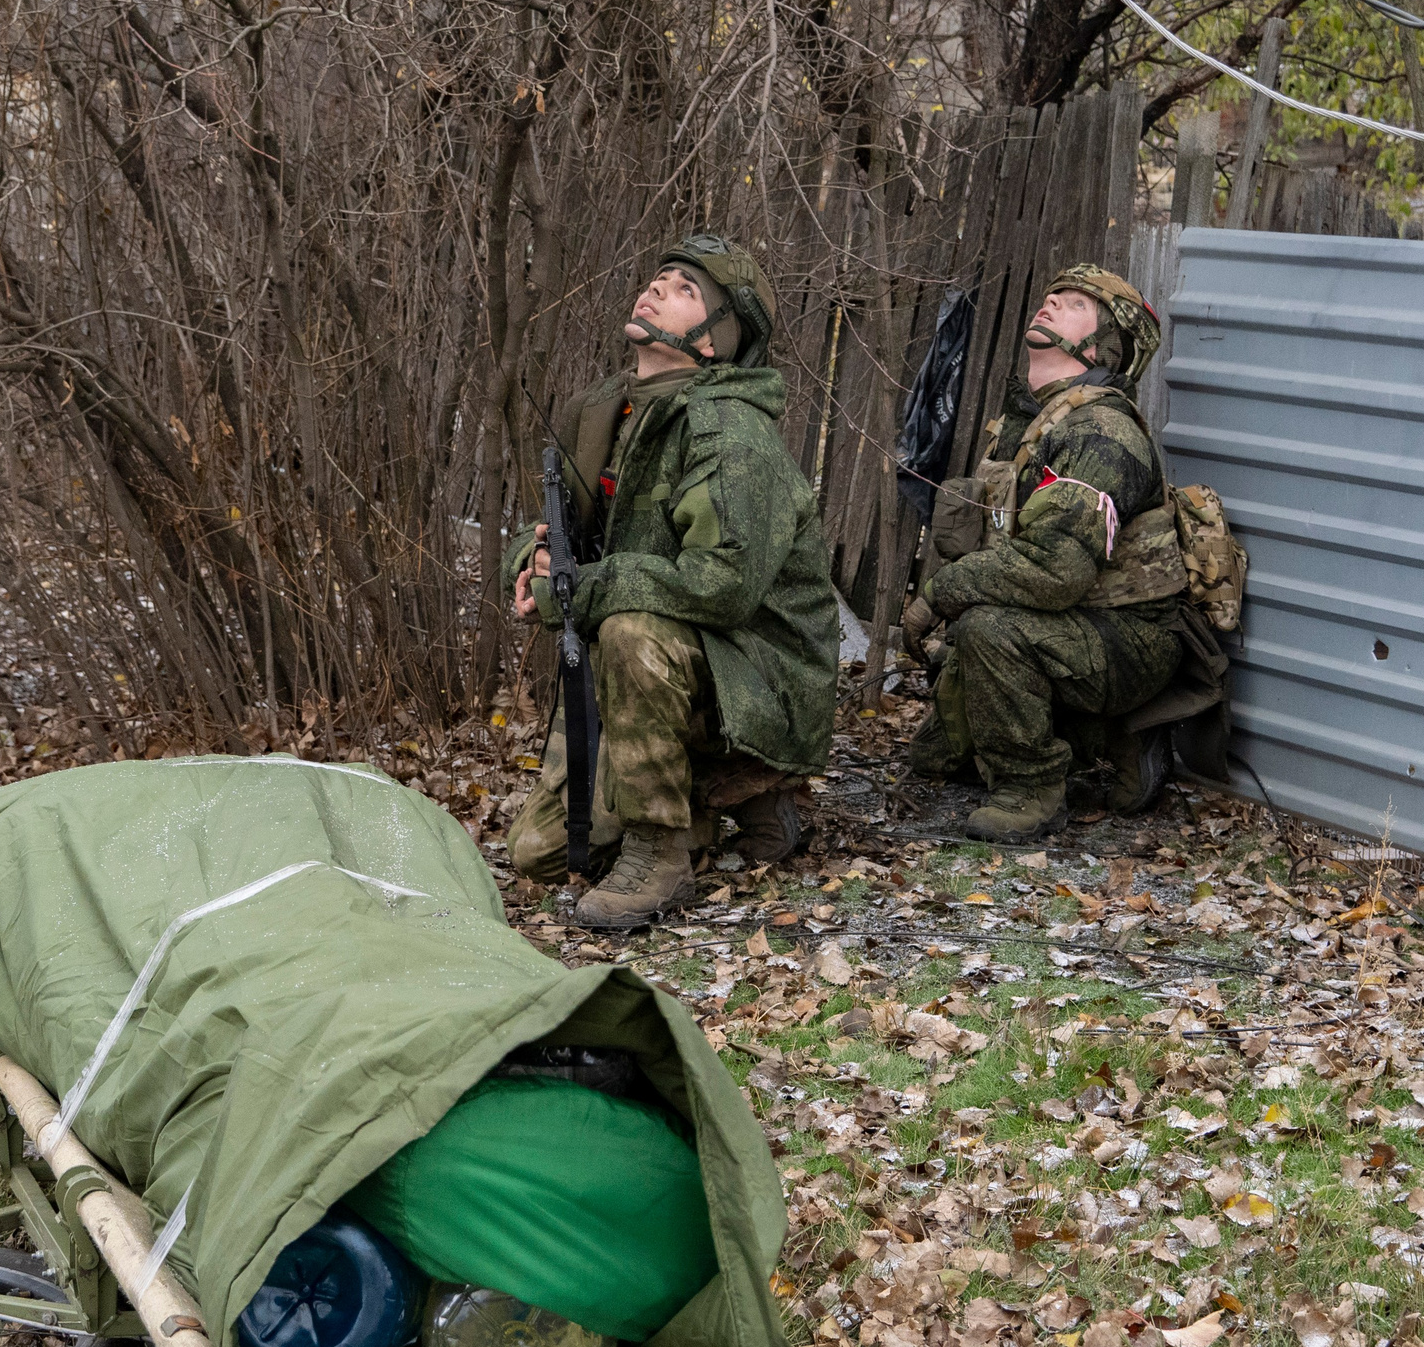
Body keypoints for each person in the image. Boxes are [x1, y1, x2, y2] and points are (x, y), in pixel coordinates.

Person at [504, 234, 839, 928]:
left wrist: (585, 587)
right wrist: (531, 563)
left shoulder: (731, 433)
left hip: (759, 675)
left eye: (686, 290)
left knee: (630, 628)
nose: (656, 288)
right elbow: (554, 527)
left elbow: (722, 586)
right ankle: (725, 801)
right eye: (659, 278)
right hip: (666, 664)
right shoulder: (605, 413)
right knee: (538, 852)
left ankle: (662, 850)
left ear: (715, 342)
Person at [898, 264, 1220, 843]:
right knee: (938, 758)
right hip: (1069, 622)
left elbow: (1055, 570)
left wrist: (939, 596)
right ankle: (1103, 739)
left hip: (1131, 636)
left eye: (1072, 304)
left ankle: (1034, 788)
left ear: (1100, 346)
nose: (1048, 304)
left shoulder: (1102, 432)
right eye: (1050, 296)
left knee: (989, 633)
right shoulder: (1031, 425)